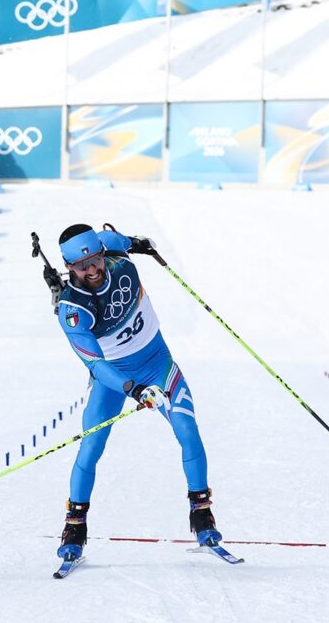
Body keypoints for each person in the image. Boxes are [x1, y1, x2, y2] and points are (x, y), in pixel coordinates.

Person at [44, 224, 220, 565]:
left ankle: (202, 517)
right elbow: (95, 366)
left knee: (188, 431)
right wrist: (134, 389)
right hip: (114, 379)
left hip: (158, 364)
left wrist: (142, 244)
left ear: (100, 252)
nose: (92, 270)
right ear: (69, 268)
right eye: (82, 267)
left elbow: (125, 240)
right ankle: (74, 528)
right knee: (92, 446)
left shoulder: (112, 249)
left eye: (95, 260)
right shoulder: (72, 310)